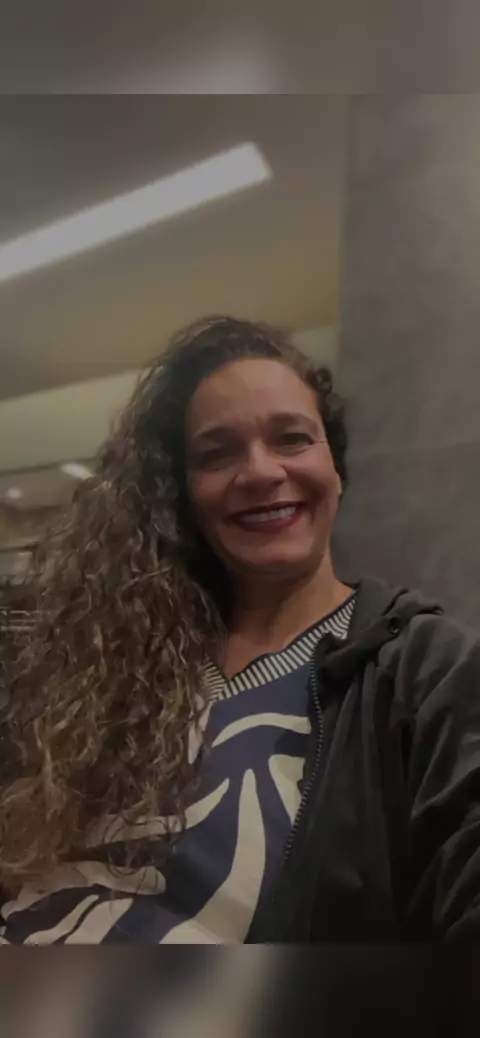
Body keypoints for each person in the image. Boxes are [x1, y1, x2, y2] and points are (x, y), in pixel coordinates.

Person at [1, 314, 480, 944]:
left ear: (335, 468)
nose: (258, 472)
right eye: (217, 453)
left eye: (291, 438)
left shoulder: (429, 671)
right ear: (184, 494)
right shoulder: (120, 656)